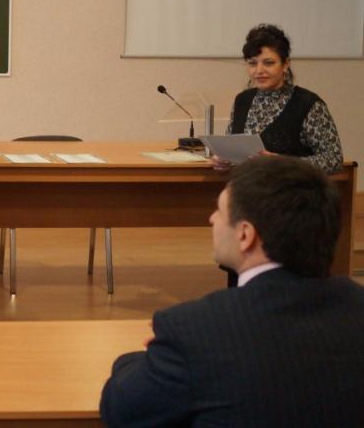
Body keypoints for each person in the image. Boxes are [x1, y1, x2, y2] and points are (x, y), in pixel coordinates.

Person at [99, 156, 364, 428]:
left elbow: (120, 409)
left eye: (219, 211)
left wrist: (154, 355)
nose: (211, 218)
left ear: (245, 235)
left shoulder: (194, 331)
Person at [214, 23, 342, 174]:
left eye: (268, 63)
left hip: (290, 187)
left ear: (285, 64)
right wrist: (224, 160)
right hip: (245, 185)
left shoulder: (308, 104)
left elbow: (334, 160)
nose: (259, 70)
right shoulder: (242, 100)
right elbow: (232, 150)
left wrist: (283, 164)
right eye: (252, 63)